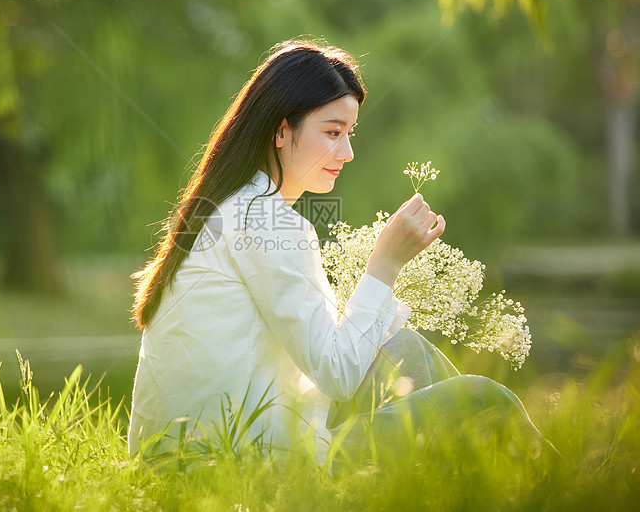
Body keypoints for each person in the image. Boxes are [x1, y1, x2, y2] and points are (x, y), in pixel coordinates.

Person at [128, 39, 542, 465]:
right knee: (485, 400)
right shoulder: (265, 221)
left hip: (182, 455)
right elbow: (338, 376)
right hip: (237, 462)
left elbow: (326, 356)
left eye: (349, 133)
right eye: (331, 132)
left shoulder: (233, 206)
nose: (347, 152)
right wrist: (386, 261)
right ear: (281, 129)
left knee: (408, 351)